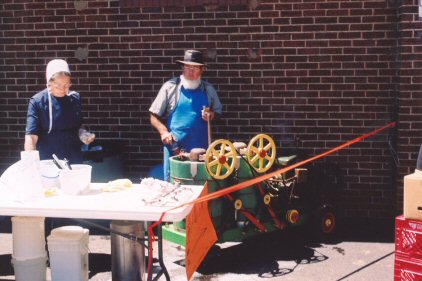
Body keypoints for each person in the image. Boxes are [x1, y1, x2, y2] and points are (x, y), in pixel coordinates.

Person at [149, 50, 223, 181]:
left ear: (202, 70)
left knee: (201, 185)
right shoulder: (170, 87)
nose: (191, 71)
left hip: (202, 152)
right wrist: (163, 132)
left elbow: (218, 113)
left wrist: (211, 115)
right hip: (175, 151)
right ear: (182, 68)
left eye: (195, 68)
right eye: (188, 67)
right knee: (173, 185)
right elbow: (153, 116)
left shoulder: (208, 90)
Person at [24, 59, 95, 164]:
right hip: (48, 159)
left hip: (73, 157)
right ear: (49, 83)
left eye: (66, 85)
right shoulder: (38, 101)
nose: (63, 89)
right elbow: (31, 137)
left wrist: (83, 134)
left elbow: (79, 126)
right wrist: (30, 164)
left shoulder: (75, 98)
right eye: (58, 85)